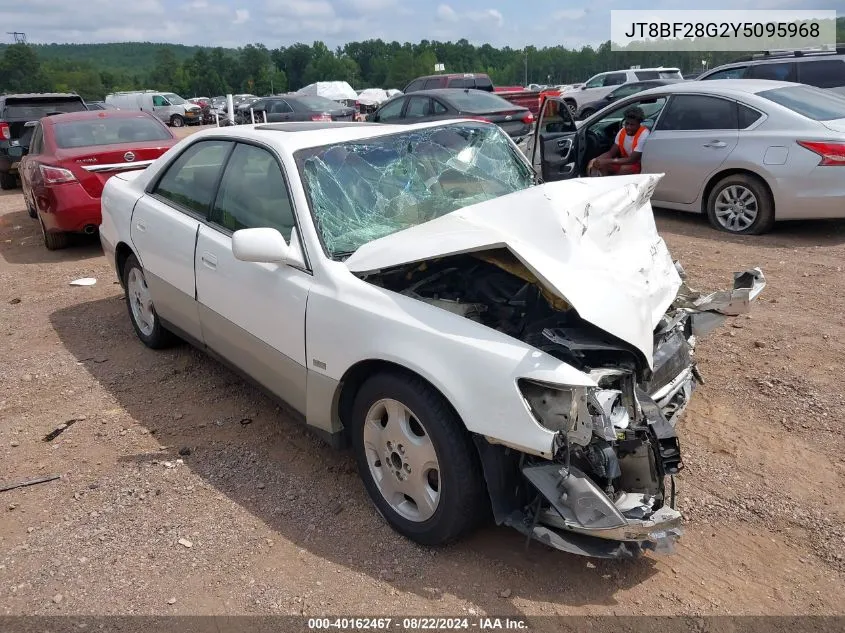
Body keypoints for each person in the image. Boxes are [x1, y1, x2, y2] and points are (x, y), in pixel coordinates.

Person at [587, 106, 649, 177]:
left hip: (638, 164)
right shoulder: (622, 132)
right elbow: (611, 153)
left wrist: (605, 161)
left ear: (639, 124)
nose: (628, 127)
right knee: (602, 165)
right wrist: (596, 160)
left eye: (632, 125)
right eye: (627, 123)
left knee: (624, 168)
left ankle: (615, 185)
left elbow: (632, 159)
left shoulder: (644, 133)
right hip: (624, 161)